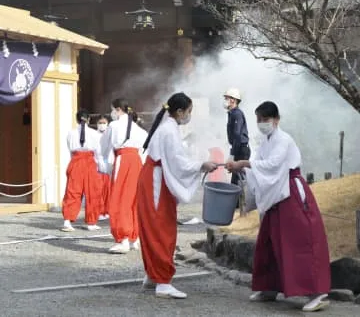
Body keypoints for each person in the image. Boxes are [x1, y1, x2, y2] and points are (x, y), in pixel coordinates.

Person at [225, 101, 331, 312]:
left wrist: (244, 164)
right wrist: (244, 167)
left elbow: (273, 165)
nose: (262, 124)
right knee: (270, 242)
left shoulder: (284, 139)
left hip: (290, 192)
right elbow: (260, 166)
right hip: (275, 194)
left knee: (299, 243)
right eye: (259, 120)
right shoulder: (267, 140)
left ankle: (317, 292)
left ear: (276, 120)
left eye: (265, 120)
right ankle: (270, 286)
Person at [138, 92, 218, 299]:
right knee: (161, 228)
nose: (189, 115)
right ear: (180, 111)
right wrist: (201, 165)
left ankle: (154, 274)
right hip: (157, 180)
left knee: (153, 227)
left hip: (155, 177)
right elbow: (178, 163)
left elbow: (176, 159)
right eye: (189, 111)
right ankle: (162, 281)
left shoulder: (167, 128)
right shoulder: (169, 131)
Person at [101, 98, 148, 254]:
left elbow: (104, 147)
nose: (112, 113)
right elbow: (145, 152)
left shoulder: (114, 126)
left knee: (120, 199)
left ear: (118, 110)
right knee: (134, 200)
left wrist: (107, 166)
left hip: (122, 159)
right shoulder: (140, 130)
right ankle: (136, 237)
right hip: (137, 162)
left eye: (112, 109)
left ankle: (123, 239)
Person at [61, 109, 104, 232]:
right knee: (93, 192)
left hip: (76, 161)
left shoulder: (71, 133)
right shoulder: (95, 134)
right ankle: (91, 222)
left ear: (76, 120)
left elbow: (70, 149)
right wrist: (100, 166)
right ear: (89, 119)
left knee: (72, 191)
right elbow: (98, 152)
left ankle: (67, 221)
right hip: (90, 161)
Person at [223, 88, 250, 186]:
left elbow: (237, 136)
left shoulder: (237, 114)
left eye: (226, 98)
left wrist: (232, 155)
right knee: (235, 180)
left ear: (233, 100)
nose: (224, 101)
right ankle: (237, 201)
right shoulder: (231, 114)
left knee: (238, 181)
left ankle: (242, 201)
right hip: (238, 149)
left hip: (242, 150)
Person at [96, 115, 112, 221]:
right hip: (97, 164)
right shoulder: (94, 135)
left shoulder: (111, 135)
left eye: (104, 123)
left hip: (108, 164)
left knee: (109, 189)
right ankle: (100, 211)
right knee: (99, 190)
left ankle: (108, 210)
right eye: (100, 123)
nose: (102, 125)